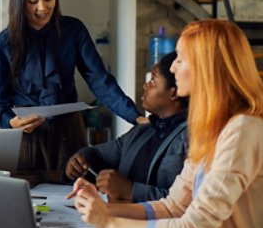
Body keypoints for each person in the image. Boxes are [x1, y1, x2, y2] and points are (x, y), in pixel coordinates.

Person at [72, 19, 263, 228]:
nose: (172, 67)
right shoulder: (210, 127)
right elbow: (173, 207)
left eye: (180, 59)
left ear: (205, 68)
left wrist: (109, 223)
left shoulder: (241, 130)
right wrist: (100, 207)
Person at [0, 0, 145, 171]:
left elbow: (100, 81)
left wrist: (135, 117)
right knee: (27, 196)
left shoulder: (74, 30)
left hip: (70, 130)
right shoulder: (4, 43)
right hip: (26, 135)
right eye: (33, 1)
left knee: (74, 193)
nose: (42, 8)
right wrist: (12, 122)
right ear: (20, 2)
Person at [66, 51, 189, 202]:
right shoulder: (144, 129)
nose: (145, 86)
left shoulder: (191, 138)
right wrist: (81, 159)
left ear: (174, 92)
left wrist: (131, 191)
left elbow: (188, 203)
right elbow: (99, 154)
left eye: (153, 81)